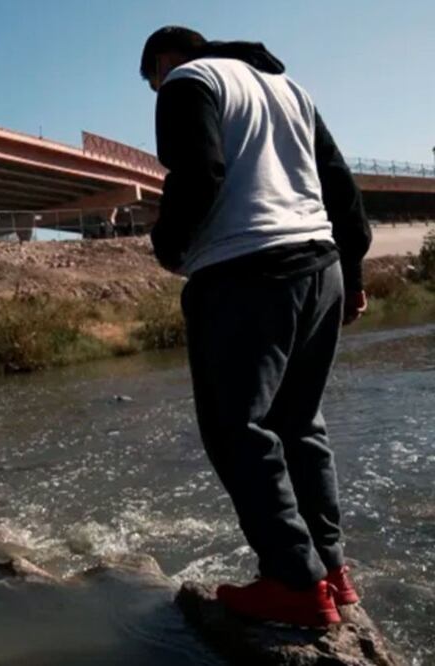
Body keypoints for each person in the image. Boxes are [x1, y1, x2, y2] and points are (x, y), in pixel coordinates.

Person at [140, 27, 372, 626]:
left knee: (238, 429)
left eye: (151, 78)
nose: (155, 90)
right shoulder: (286, 85)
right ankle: (332, 572)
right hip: (320, 267)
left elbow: (200, 172)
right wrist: (355, 269)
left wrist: (168, 247)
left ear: (165, 60)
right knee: (299, 425)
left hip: (246, 275)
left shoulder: (190, 81)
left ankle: (295, 584)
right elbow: (340, 185)